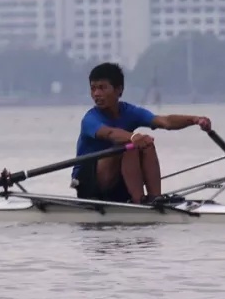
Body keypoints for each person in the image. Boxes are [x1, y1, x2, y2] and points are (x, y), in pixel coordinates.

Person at [72, 62, 211, 205]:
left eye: (102, 88)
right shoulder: (90, 119)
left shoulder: (130, 112)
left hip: (118, 182)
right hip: (88, 185)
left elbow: (165, 121)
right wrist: (133, 137)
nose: (96, 94)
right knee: (129, 144)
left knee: (147, 145)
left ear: (119, 90)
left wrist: (195, 119)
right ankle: (139, 201)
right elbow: (109, 133)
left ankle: (154, 198)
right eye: (93, 88)